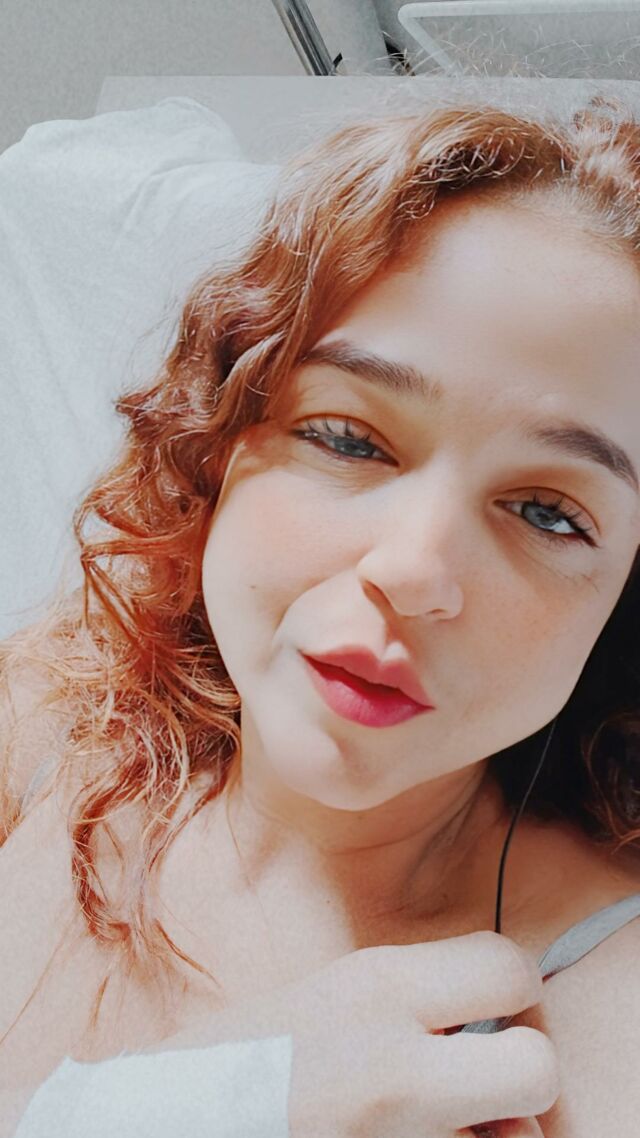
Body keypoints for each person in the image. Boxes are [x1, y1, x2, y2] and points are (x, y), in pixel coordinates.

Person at [2, 92, 640, 1138]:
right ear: (222, 436)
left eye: (547, 514)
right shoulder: (51, 709)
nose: (413, 569)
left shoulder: (601, 1024)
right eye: (347, 438)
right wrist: (216, 1105)